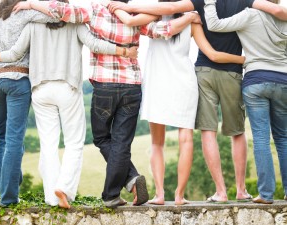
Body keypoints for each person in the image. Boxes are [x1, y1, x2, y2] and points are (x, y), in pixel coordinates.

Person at [108, 0, 287, 203]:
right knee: (213, 136)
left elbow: (154, 14)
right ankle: (205, 193)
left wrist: (123, 7)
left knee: (176, 139)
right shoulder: (207, 14)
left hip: (179, 77)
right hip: (208, 78)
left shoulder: (170, 13)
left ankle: (177, 193)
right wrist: (248, 60)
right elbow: (212, 51)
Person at [11, 0, 178, 208]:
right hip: (132, 86)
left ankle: (126, 182)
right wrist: (187, 16)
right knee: (122, 142)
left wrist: (31, 4)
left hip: (104, 87)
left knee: (101, 138)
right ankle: (115, 191)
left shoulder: (95, 11)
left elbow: (61, 11)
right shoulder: (136, 15)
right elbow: (163, 30)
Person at [0, 0, 138, 208]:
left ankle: (51, 196)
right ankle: (65, 189)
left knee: (48, 145)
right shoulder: (75, 24)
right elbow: (95, 44)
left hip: (40, 89)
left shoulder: (33, 25)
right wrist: (123, 52)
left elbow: (15, 53)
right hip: (67, 87)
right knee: (74, 143)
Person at [204, 0, 287, 204]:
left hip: (256, 80)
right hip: (283, 80)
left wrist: (209, 2)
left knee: (260, 138)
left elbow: (215, 25)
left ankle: (266, 195)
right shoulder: (284, 18)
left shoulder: (250, 14)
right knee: (283, 138)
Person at [0, 0, 61, 207]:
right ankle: (9, 198)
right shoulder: (24, 14)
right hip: (17, 79)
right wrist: (32, 5)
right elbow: (56, 15)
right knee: (13, 139)